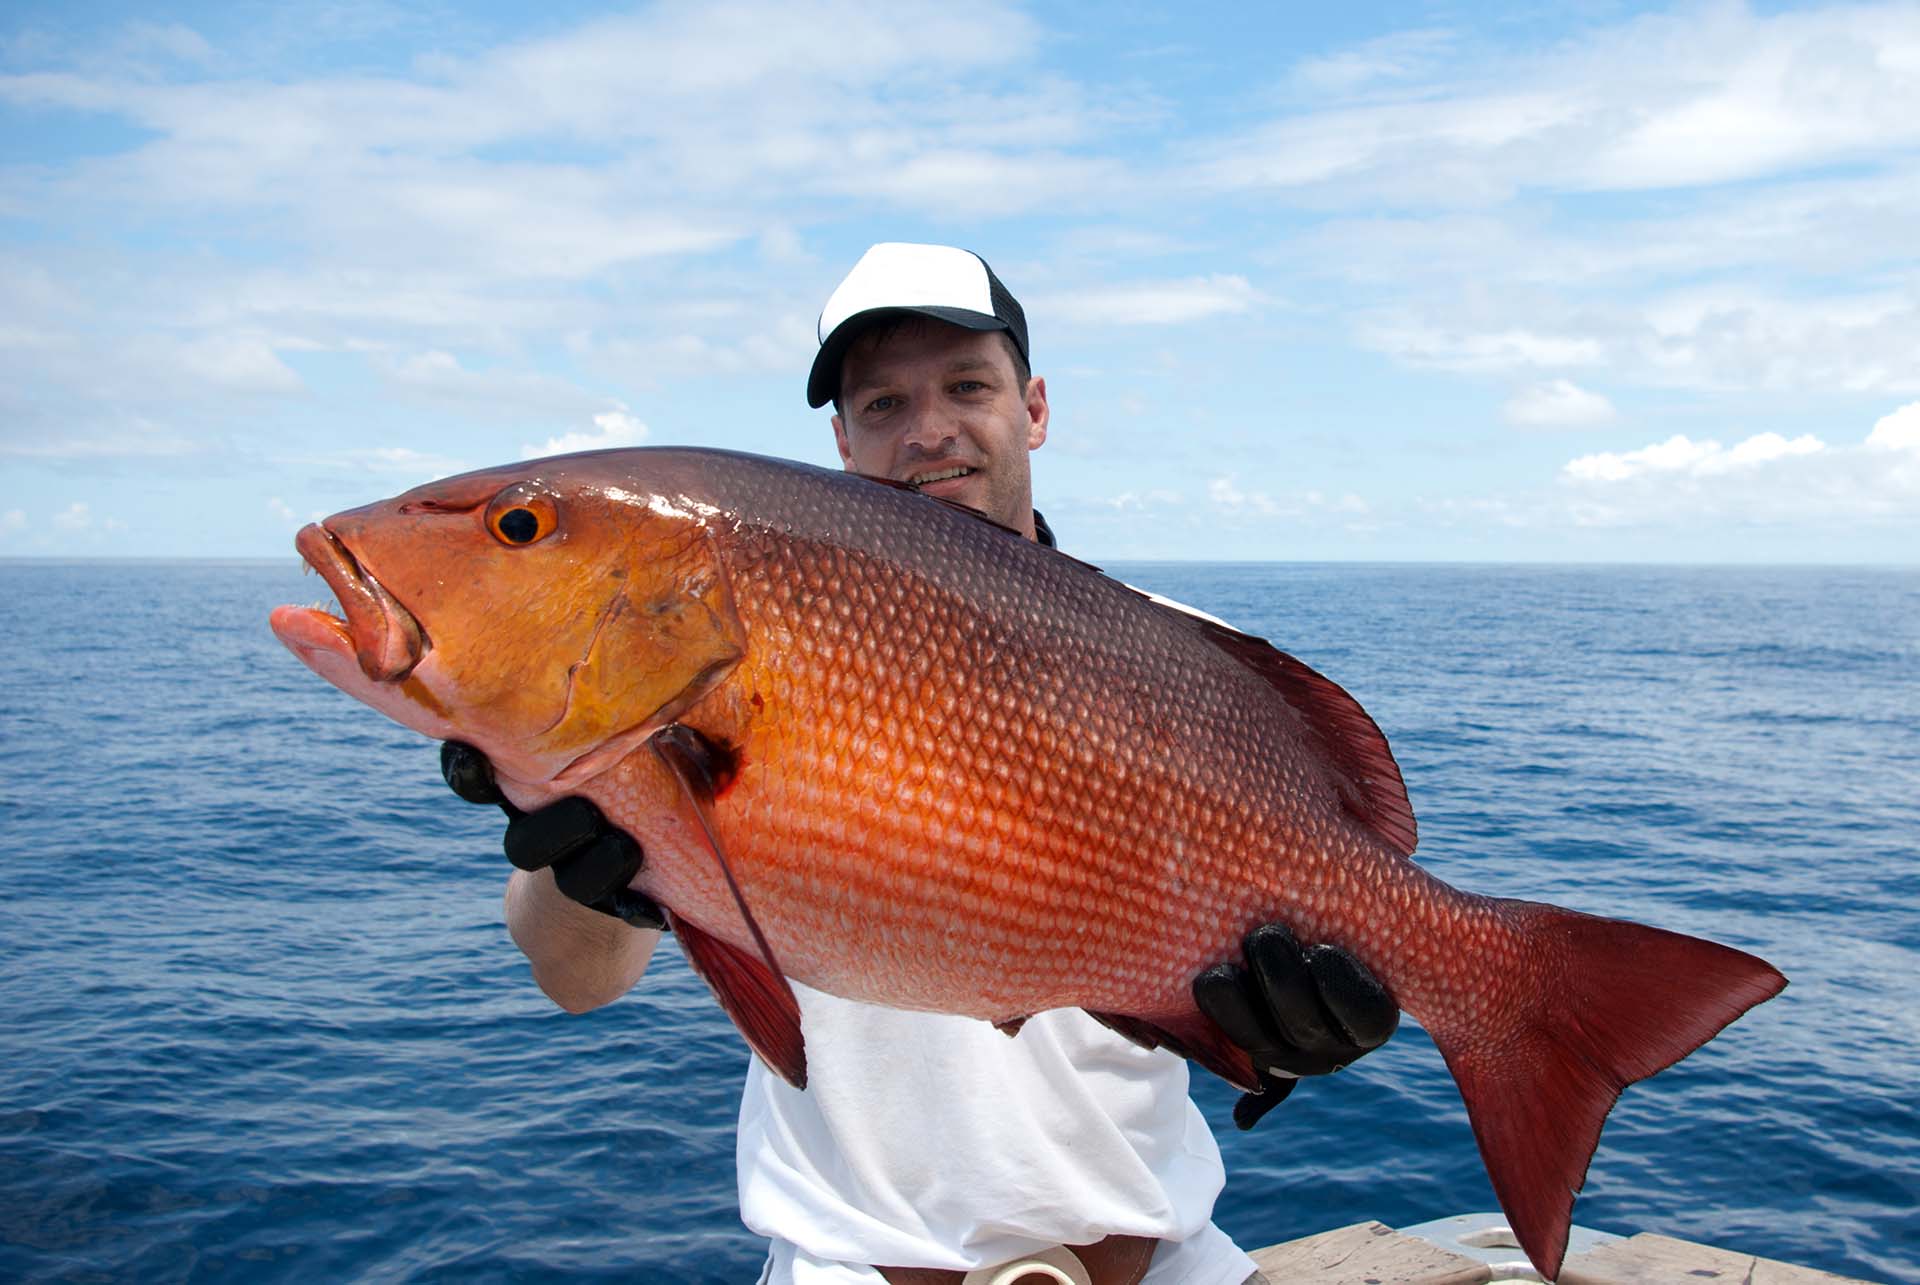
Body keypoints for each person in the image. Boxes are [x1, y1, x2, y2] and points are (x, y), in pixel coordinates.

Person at [441, 243, 1398, 1285]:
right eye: (885, 403)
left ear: (1033, 408)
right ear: (845, 443)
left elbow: (1304, 931)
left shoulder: (1183, 659)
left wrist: (1300, 1029)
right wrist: (603, 886)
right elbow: (576, 980)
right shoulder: (724, 659)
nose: (930, 428)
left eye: (967, 386)